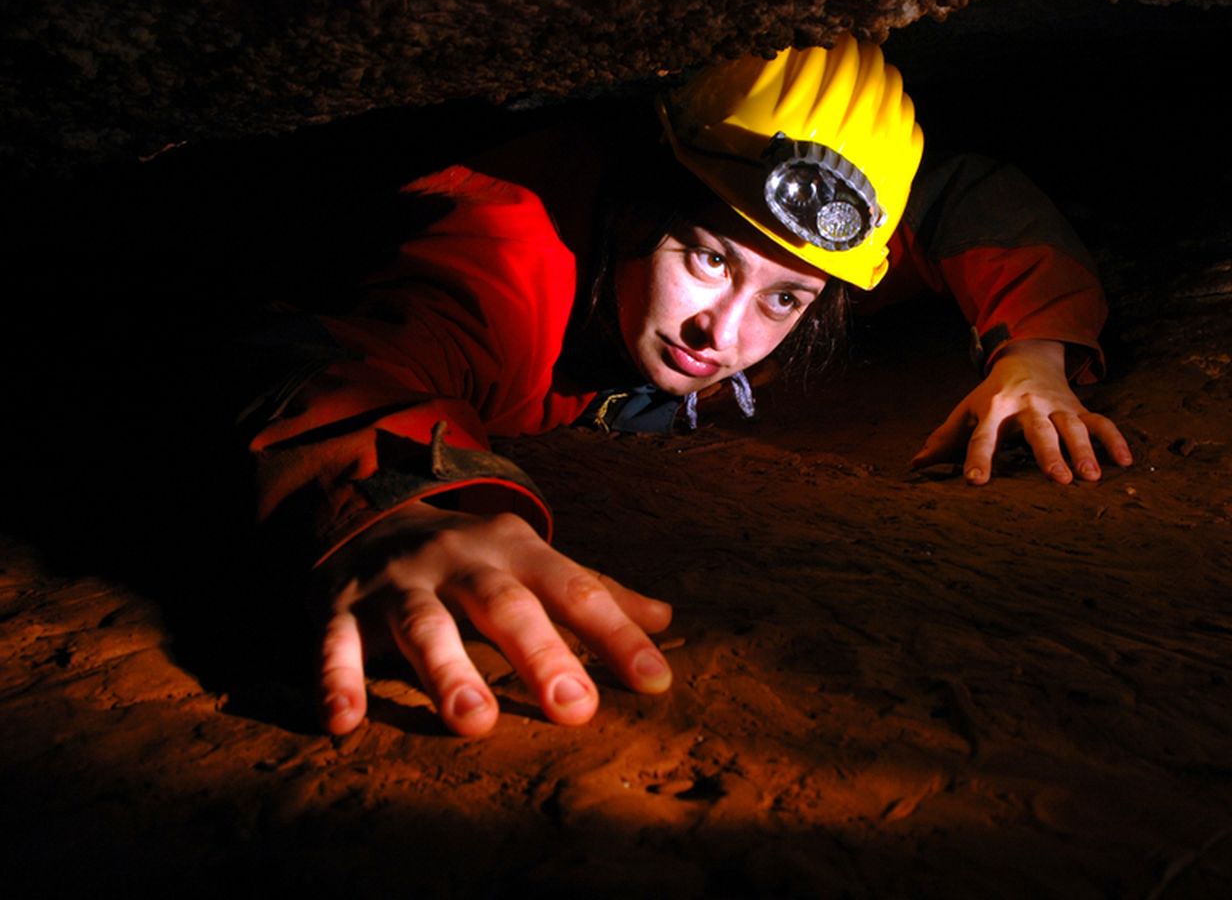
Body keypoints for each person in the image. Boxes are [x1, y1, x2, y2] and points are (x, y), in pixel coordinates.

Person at [244, 37, 1132, 738]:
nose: (725, 333)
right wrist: (399, 510)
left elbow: (963, 195)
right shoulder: (514, 261)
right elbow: (319, 360)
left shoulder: (815, 250)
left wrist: (1034, 352)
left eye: (785, 297)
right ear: (641, 204)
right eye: (708, 259)